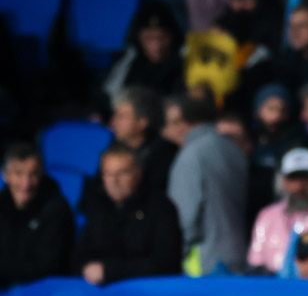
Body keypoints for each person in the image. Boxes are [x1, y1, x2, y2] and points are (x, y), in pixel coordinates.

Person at [164, 93, 247, 275]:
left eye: (168, 124)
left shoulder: (191, 156)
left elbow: (184, 217)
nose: (164, 131)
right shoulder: (233, 148)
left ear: (182, 125)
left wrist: (173, 257)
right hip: (237, 257)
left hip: (204, 265)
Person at [75, 143, 181, 284]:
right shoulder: (98, 207)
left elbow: (166, 264)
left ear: (138, 174)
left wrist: (110, 270)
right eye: (108, 174)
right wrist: (86, 268)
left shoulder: (160, 208)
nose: (114, 181)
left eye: (122, 173)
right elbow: (80, 257)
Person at [0, 142, 75, 287]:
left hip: (47, 294)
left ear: (42, 174)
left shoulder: (57, 208)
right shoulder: (2, 204)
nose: (25, 184)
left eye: (33, 174)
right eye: (18, 173)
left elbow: (47, 265)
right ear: (5, 175)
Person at [104, 0, 185, 100]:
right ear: (138, 38)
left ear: (174, 36)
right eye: (149, 38)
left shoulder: (186, 63)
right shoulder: (127, 62)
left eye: (162, 38)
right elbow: (109, 95)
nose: (157, 46)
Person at [108, 86, 176, 194]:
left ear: (142, 122)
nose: (113, 122)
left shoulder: (165, 155)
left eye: (122, 116)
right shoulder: (113, 148)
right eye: (115, 115)